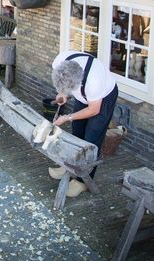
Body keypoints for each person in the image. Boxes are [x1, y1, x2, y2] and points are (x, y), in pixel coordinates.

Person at [50, 51, 118, 198]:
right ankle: (70, 167)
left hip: (102, 100)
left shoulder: (94, 82)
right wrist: (62, 94)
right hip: (84, 96)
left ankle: (82, 181)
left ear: (77, 83)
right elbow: (63, 84)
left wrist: (67, 117)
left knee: (91, 139)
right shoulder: (60, 61)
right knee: (77, 131)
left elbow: (94, 109)